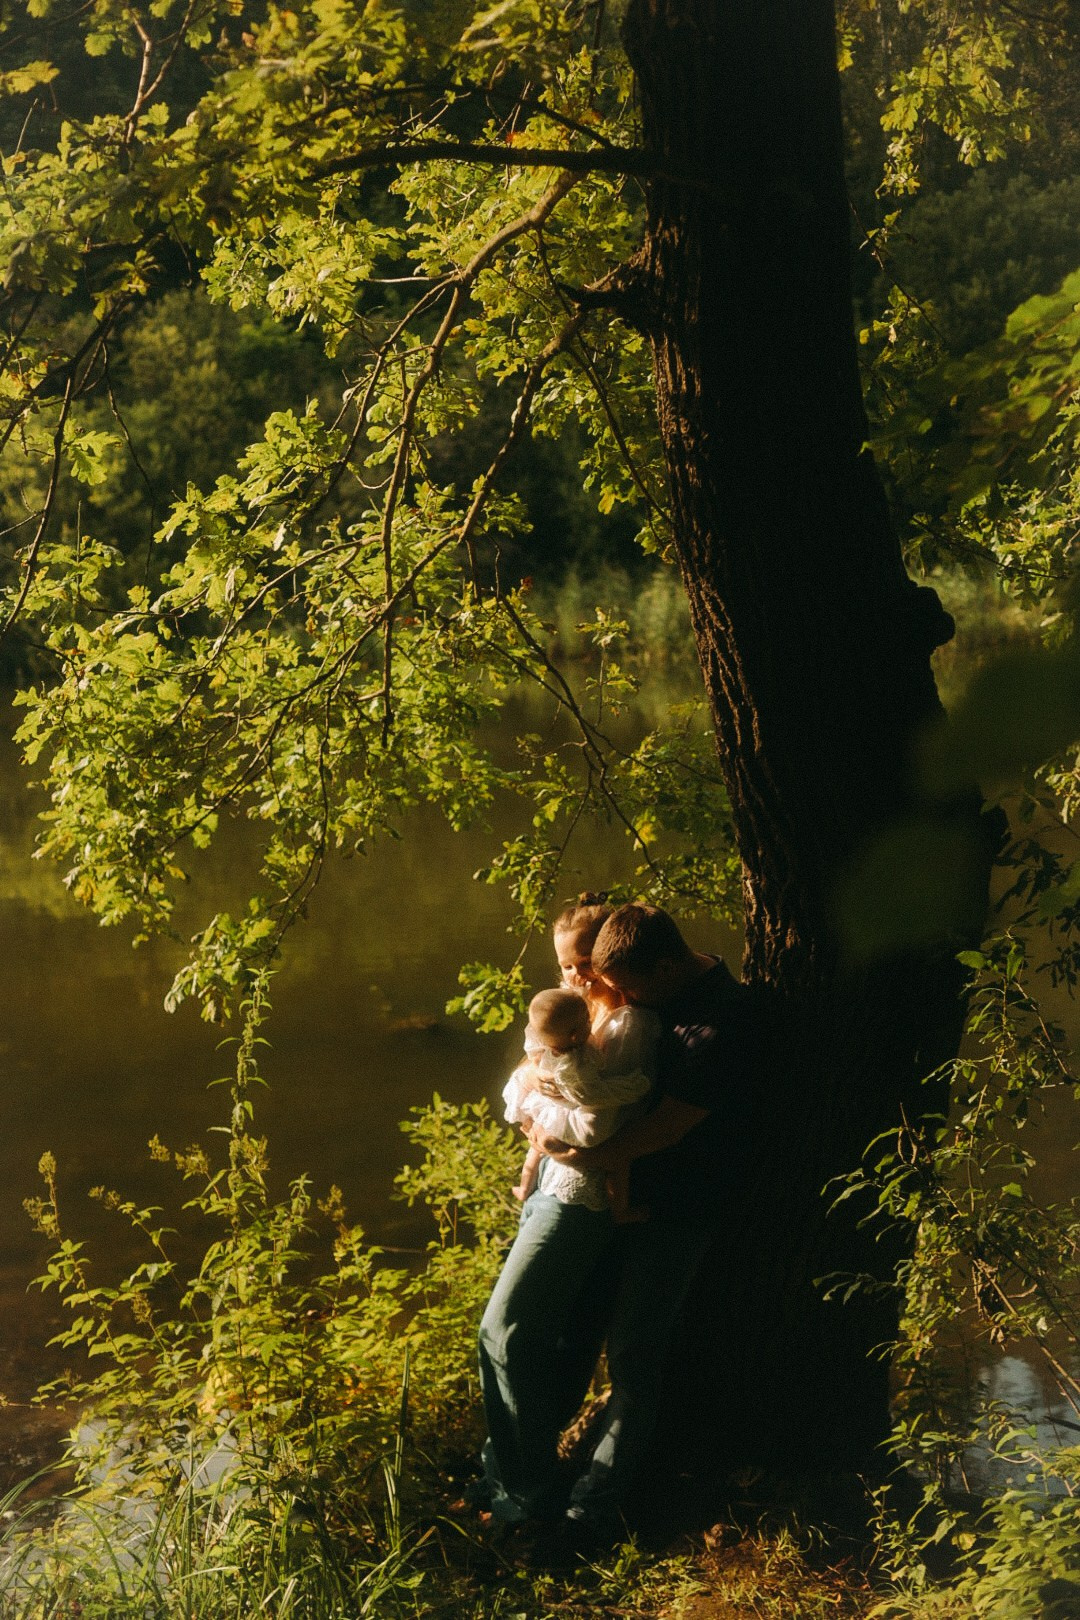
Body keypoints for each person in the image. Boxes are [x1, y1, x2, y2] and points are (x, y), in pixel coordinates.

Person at [538, 902, 754, 1542]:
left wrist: (579, 1155)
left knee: (634, 1356)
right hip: (615, 1200)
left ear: (664, 968)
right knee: (572, 1335)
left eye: (629, 987)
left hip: (676, 1210)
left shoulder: (721, 1021)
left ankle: (593, 1510)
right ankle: (534, 1478)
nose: (622, 998)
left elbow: (668, 1126)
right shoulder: (650, 989)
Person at [476, 898, 659, 1527]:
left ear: (608, 956)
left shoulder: (628, 1025)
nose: (574, 977)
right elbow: (519, 1094)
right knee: (557, 1341)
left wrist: (542, 1115)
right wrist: (537, 1109)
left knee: (501, 1330)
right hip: (548, 1190)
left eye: (584, 963)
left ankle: (523, 1490)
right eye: (564, 966)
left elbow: (595, 1129)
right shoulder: (567, 1016)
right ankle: (508, 1471)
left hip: (580, 1200)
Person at [503, 986, 654, 1216]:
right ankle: (621, 1210)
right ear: (575, 1034)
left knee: (534, 1150)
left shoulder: (546, 1045)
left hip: (548, 1110)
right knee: (618, 1163)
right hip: (567, 1118)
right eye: (586, 1020)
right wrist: (630, 1089)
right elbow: (589, 1094)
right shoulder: (576, 1061)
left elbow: (532, 1058)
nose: (590, 1021)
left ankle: (524, 1188)